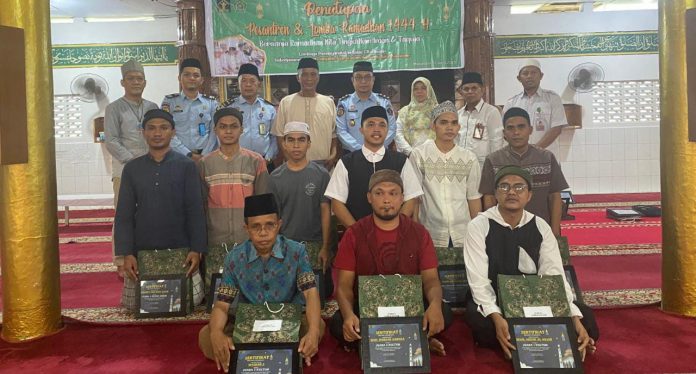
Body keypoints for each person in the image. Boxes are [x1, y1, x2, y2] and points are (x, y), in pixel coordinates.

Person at [463, 166, 598, 360]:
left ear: (529, 195)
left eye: (519, 187)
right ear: (495, 194)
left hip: (535, 300)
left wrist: (573, 317)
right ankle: (553, 340)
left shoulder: (541, 226)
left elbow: (554, 276)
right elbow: (478, 281)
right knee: (482, 325)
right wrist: (496, 315)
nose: (511, 192)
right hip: (496, 300)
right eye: (504, 186)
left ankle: (525, 342)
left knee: (587, 321)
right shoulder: (479, 225)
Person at [330, 170, 452, 356]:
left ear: (402, 197)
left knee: (444, 312)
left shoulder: (419, 233)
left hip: (410, 308)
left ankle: (375, 344)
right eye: (379, 193)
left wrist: (434, 306)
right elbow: (344, 285)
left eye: (393, 193)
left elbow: (431, 280)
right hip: (368, 309)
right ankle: (416, 340)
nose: (386, 200)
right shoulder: (354, 233)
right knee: (339, 322)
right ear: (369, 197)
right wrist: (348, 315)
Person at [199, 194, 324, 372]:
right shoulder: (234, 257)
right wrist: (217, 333)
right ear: (246, 229)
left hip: (288, 321)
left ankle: (249, 358)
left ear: (279, 225)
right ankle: (282, 356)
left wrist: (312, 332)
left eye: (270, 225)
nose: (263, 233)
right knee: (206, 336)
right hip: (247, 323)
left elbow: (310, 293)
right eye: (255, 226)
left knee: (317, 326)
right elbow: (221, 305)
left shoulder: (296, 251)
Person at [114, 109, 207, 310]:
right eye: (152, 128)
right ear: (143, 132)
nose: (157, 133)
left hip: (180, 250)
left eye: (163, 128)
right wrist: (126, 253)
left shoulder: (187, 166)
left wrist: (196, 249)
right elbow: (124, 215)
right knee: (134, 305)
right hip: (143, 252)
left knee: (192, 301)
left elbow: (195, 211)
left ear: (173, 132)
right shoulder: (132, 169)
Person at [325, 106, 423, 228]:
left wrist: (393, 229)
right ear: (361, 129)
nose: (376, 129)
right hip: (358, 238)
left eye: (382, 125)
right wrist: (358, 233)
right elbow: (337, 203)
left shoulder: (401, 161)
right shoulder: (347, 162)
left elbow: (411, 198)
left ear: (387, 130)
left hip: (395, 237)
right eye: (371, 124)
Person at [104, 59, 158, 277]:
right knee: (124, 215)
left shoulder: (152, 107)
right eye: (131, 79)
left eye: (139, 79)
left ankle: (148, 254)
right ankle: (121, 260)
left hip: (152, 168)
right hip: (125, 171)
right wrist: (133, 162)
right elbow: (112, 140)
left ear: (145, 82)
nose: (136, 82)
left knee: (150, 213)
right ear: (122, 82)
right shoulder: (114, 108)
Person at [479, 107, 568, 236]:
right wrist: (494, 230)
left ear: (530, 130)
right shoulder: (493, 160)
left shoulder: (547, 158)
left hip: (541, 229)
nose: (516, 132)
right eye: (510, 128)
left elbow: (555, 197)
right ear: (504, 133)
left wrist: (554, 232)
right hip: (505, 231)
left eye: (521, 127)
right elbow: (490, 198)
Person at [409, 101, 482, 248]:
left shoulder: (469, 158)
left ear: (458, 127)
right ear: (433, 125)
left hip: (463, 232)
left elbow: (473, 198)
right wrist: (415, 228)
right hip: (430, 231)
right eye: (443, 122)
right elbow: (414, 197)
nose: (449, 127)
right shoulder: (419, 154)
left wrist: (478, 232)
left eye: (454, 123)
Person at [199, 107, 269, 246]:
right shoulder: (205, 163)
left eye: (234, 126)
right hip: (215, 239)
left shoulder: (256, 161)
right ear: (215, 130)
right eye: (223, 127)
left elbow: (263, 203)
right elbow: (202, 204)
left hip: (248, 240)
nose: (228, 131)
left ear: (242, 129)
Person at [268, 121, 331, 271]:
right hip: (285, 245)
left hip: (315, 244)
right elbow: (273, 217)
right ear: (284, 144)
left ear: (309, 143)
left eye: (301, 140)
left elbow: (325, 212)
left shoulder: (321, 174)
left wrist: (325, 246)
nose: (296, 145)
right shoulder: (275, 177)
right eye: (291, 140)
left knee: (315, 292)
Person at [273, 58, 339, 169]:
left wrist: (333, 155)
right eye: (304, 74)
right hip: (294, 164)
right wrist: (289, 159)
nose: (309, 79)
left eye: (313, 74)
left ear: (318, 78)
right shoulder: (286, 102)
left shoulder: (328, 102)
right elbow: (280, 135)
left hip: (324, 165)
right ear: (297, 77)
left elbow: (333, 134)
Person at [503, 59, 567, 155]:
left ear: (541, 76)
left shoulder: (552, 98)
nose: (529, 76)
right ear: (519, 78)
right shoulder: (512, 103)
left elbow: (556, 129)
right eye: (525, 73)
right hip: (519, 158)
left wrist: (534, 150)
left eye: (533, 73)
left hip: (547, 156)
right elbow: (506, 131)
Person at [161, 58, 218, 161]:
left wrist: (204, 155)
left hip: (205, 157)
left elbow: (215, 132)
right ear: (179, 78)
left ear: (201, 80)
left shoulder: (211, 103)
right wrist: (187, 154)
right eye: (187, 75)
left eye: (196, 75)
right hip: (177, 156)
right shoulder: (170, 102)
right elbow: (166, 131)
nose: (191, 78)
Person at [222, 63, 278, 166]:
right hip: (236, 162)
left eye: (252, 81)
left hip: (265, 162)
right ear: (238, 84)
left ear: (259, 84)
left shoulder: (269, 109)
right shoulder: (228, 109)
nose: (248, 85)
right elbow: (221, 136)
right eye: (244, 81)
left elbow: (274, 137)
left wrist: (268, 158)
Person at [336, 61, 396, 152]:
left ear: (373, 79)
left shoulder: (384, 102)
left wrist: (376, 146)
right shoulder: (344, 103)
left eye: (367, 77)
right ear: (352, 80)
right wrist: (360, 150)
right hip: (352, 155)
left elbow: (391, 128)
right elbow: (341, 131)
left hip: (380, 153)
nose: (363, 81)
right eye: (359, 77)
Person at [456, 72, 504, 167]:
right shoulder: (459, 114)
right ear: (461, 92)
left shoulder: (491, 112)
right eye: (466, 89)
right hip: (461, 167)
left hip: (482, 167)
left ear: (482, 90)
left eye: (474, 88)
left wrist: (493, 168)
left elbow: (496, 142)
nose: (470, 91)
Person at [394, 77, 438, 156]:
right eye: (416, 89)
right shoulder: (405, 111)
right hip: (411, 154)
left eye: (423, 88)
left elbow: (443, 131)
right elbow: (398, 133)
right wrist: (410, 151)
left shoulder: (438, 111)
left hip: (434, 154)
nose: (419, 91)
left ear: (429, 90)